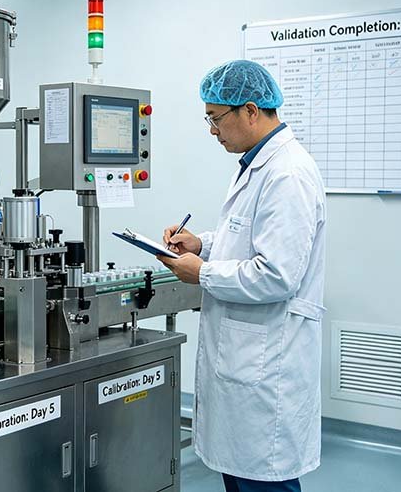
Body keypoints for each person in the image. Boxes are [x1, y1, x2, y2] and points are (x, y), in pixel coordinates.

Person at [157, 60, 327, 492]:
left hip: (267, 364)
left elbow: (276, 275)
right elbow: (249, 240)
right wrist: (203, 245)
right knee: (243, 478)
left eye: (216, 119)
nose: (213, 130)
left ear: (250, 111)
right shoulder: (259, 165)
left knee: (263, 480)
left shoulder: (287, 173)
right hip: (247, 358)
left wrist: (203, 273)